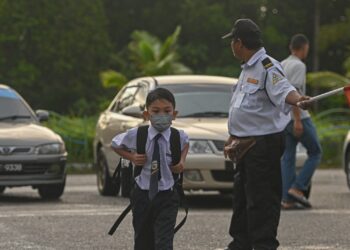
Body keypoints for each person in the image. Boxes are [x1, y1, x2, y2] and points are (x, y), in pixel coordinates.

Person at [221, 19, 310, 250]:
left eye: (232, 41)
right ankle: (240, 245)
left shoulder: (267, 66)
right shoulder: (247, 69)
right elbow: (245, 110)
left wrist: (298, 100)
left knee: (261, 203)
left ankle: (263, 246)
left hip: (262, 147)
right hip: (245, 147)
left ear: (239, 42)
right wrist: (233, 136)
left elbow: (284, 90)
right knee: (242, 202)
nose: (231, 46)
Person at [111, 87, 189, 250]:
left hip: (168, 195)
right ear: (146, 115)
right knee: (143, 240)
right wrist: (131, 157)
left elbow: (186, 145)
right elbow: (115, 144)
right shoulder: (137, 134)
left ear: (174, 114)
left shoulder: (178, 136)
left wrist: (181, 161)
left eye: (167, 111)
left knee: (164, 241)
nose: (162, 115)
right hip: (142, 194)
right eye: (156, 111)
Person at [280, 34, 322, 209]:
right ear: (304, 48)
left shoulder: (281, 64)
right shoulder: (299, 65)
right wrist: (297, 119)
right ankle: (298, 189)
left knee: (288, 157)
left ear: (291, 47)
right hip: (299, 118)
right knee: (316, 152)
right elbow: (294, 91)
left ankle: (286, 199)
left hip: (284, 119)